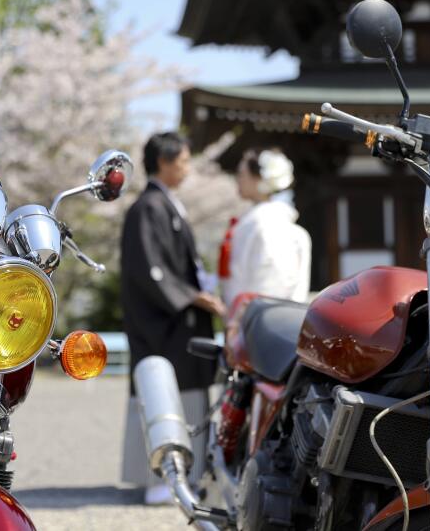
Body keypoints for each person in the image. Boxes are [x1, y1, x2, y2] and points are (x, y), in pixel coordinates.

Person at [120, 131, 224, 504]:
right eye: (182, 161)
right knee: (164, 393)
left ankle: (183, 474)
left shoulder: (164, 204)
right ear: (162, 162)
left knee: (185, 394)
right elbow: (150, 271)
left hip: (178, 319)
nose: (186, 168)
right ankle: (160, 478)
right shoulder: (148, 208)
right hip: (162, 325)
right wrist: (194, 297)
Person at [219, 149, 312, 309]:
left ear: (258, 179)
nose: (238, 180)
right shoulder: (274, 223)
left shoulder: (264, 223)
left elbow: (271, 284)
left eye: (242, 174)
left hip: (258, 316)